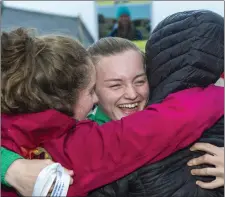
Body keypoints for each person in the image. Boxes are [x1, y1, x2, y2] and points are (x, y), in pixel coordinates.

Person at [1, 28, 223, 197]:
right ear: (64, 99)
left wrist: (9, 166)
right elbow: (165, 123)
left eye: (140, 80)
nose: (131, 94)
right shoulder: (80, 147)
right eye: (94, 90)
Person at [88, 9, 224, 197]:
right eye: (115, 85)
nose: (132, 94)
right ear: (93, 91)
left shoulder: (187, 123)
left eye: (139, 81)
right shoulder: (84, 145)